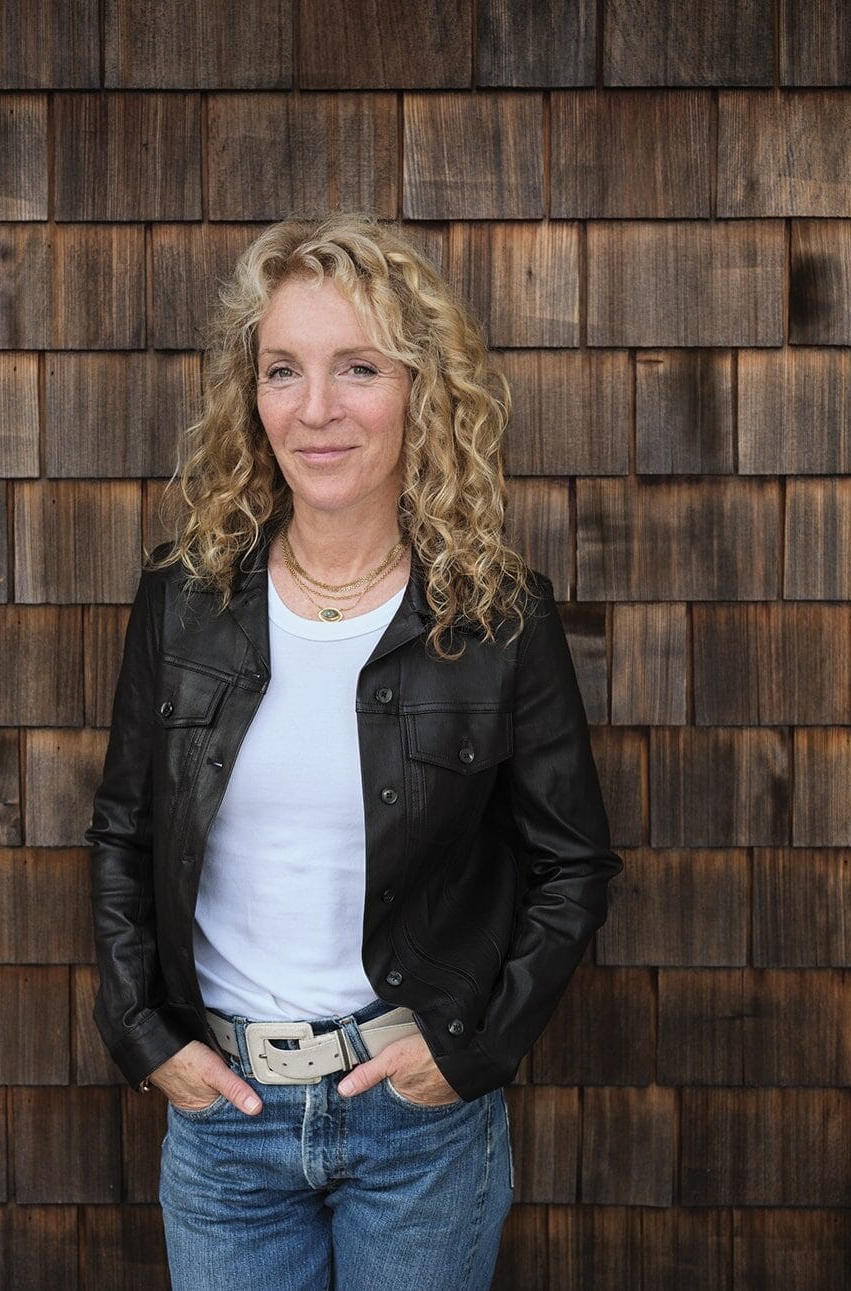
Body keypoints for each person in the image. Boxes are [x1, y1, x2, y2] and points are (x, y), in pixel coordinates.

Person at [85, 211, 624, 1291]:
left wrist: (469, 1052)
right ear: (253, 396)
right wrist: (145, 1035)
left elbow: (572, 865)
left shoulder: (498, 616)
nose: (316, 408)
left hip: (414, 1125)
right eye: (283, 369)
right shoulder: (183, 600)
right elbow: (122, 830)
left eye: (357, 367)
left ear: (422, 390)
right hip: (226, 1119)